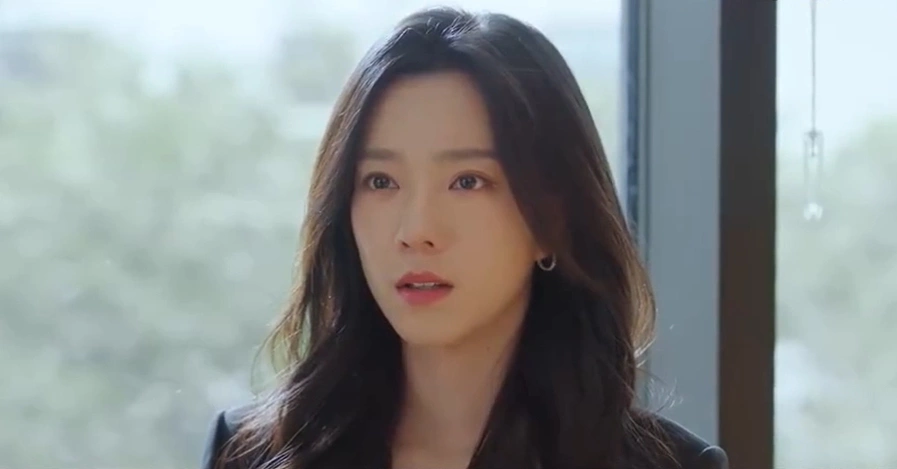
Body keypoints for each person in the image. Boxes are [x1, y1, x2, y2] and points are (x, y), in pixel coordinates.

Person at [201, 7, 728, 469]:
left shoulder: (668, 466)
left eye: (468, 182)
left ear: (552, 219)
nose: (416, 231)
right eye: (380, 182)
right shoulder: (254, 453)